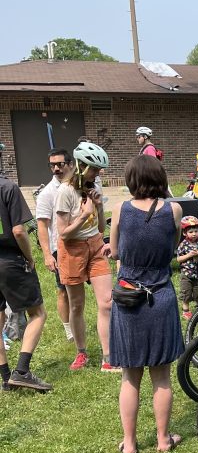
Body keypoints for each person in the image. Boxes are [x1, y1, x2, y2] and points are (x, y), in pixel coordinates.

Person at [109, 155, 185, 453]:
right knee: (161, 375)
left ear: (131, 180)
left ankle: (129, 444)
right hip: (161, 296)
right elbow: (173, 246)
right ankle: (163, 440)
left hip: (129, 297)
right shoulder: (174, 210)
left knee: (130, 375)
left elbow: (115, 252)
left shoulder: (120, 209)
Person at [55, 140, 117, 372]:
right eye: (94, 169)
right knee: (77, 305)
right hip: (72, 249)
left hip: (96, 246)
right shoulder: (65, 192)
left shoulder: (93, 188)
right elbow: (63, 233)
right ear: (80, 166)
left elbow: (100, 229)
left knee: (107, 303)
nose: (97, 174)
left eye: (99, 171)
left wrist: (98, 207)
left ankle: (108, 358)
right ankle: (81, 353)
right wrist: (83, 216)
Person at [0, 174, 52, 391]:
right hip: (10, 260)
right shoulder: (8, 187)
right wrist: (29, 257)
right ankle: (22, 371)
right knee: (37, 313)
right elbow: (19, 231)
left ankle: (5, 378)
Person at [35, 148, 74, 341]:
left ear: (70, 164)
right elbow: (42, 226)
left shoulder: (78, 186)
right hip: (61, 250)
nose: (56, 168)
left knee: (78, 290)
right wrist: (48, 254)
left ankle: (78, 322)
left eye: (60, 164)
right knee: (63, 291)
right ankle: (69, 329)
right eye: (52, 165)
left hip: (82, 245)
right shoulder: (46, 194)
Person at [176, 216, 198, 319]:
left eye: (196, 231)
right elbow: (178, 259)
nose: (194, 234)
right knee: (186, 294)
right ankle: (186, 311)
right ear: (184, 233)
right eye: (191, 232)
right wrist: (189, 255)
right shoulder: (183, 245)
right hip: (186, 275)